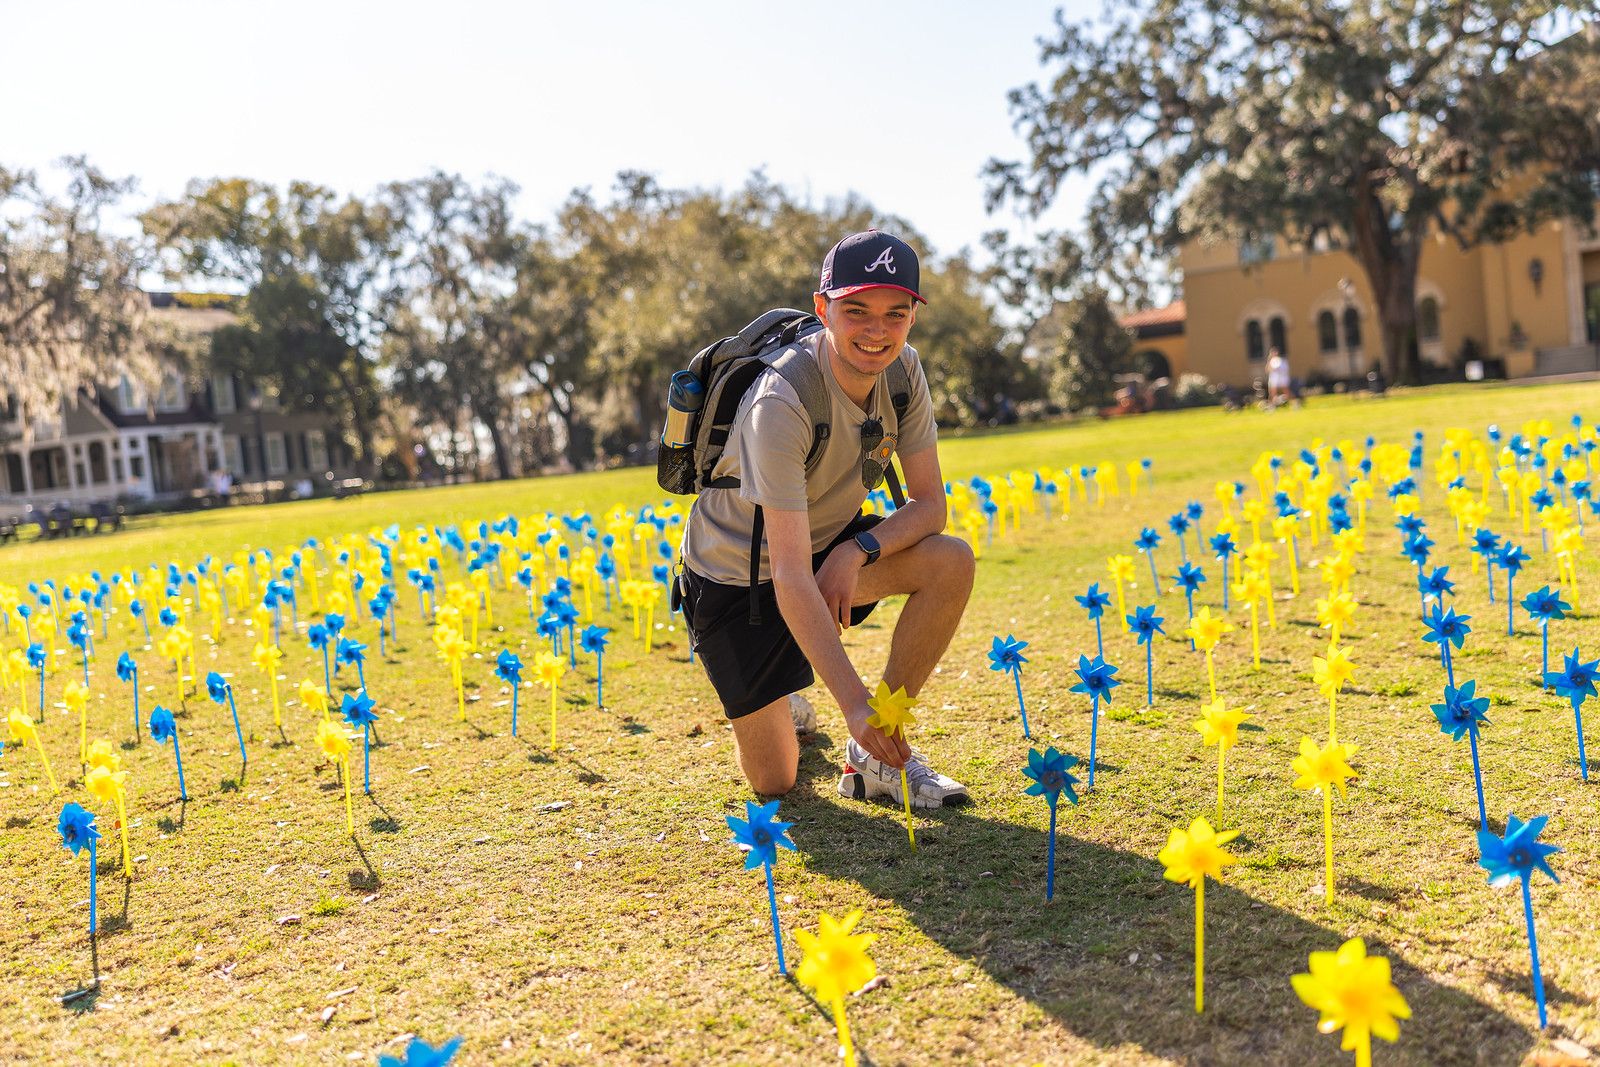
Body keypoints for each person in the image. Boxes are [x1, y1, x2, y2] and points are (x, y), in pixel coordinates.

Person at [678, 230, 975, 808]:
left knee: (950, 562)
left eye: (896, 313)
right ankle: (782, 699)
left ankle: (873, 760)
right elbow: (788, 576)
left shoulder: (904, 373)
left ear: (913, 315)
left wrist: (854, 550)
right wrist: (853, 701)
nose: (877, 331)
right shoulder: (781, 402)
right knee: (776, 782)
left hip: (823, 552)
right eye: (856, 310)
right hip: (738, 577)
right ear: (823, 309)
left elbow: (930, 507)